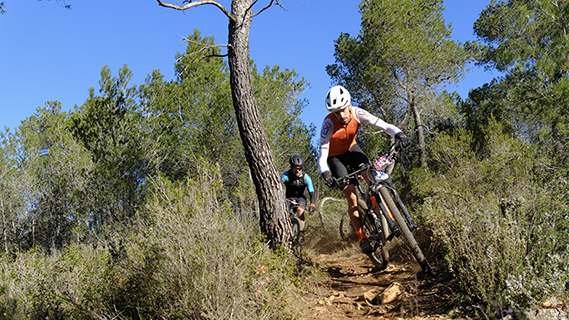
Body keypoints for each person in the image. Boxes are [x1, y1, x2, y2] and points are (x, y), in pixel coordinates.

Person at [318, 85, 410, 254]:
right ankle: (362, 237)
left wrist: (399, 134)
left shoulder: (357, 113)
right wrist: (326, 175)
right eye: (337, 112)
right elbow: (322, 155)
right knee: (352, 196)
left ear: (349, 105)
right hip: (335, 158)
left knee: (371, 177)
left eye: (344, 110)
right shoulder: (328, 123)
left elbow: (383, 125)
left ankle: (385, 214)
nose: (342, 115)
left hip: (353, 150)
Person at [280, 155, 316, 231]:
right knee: (285, 214)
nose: (298, 171)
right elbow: (278, 184)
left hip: (301, 198)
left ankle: (301, 232)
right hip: (288, 198)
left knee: (300, 210)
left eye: (299, 169)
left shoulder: (306, 177)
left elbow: (312, 193)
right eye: (295, 168)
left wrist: (312, 204)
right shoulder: (286, 176)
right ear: (291, 167)